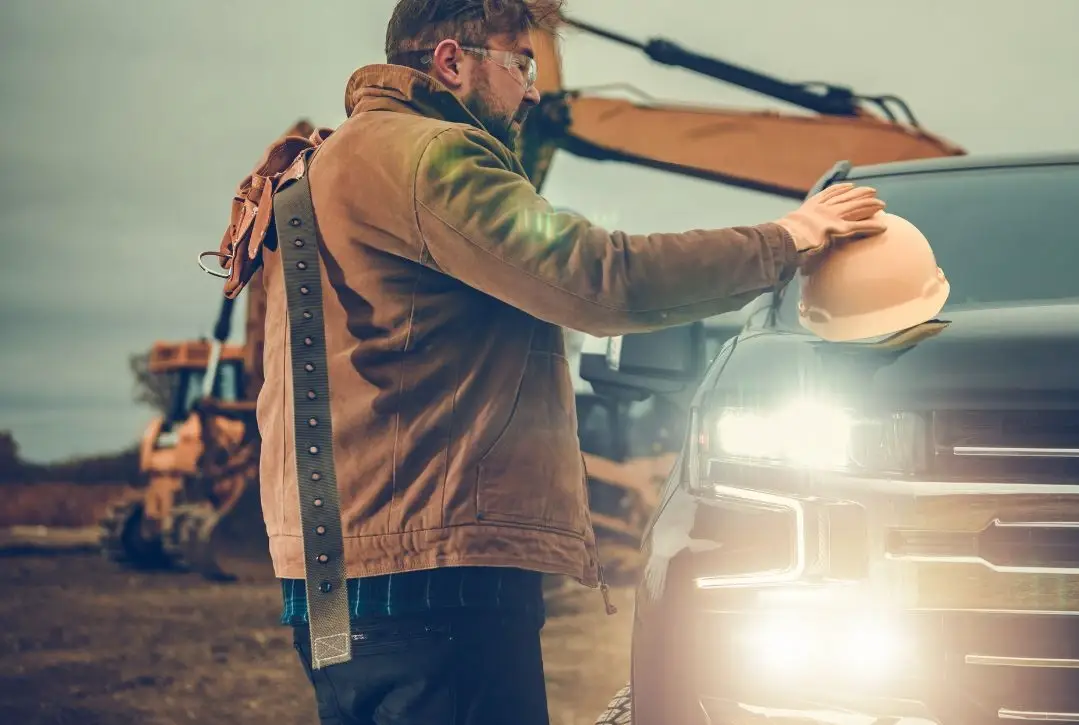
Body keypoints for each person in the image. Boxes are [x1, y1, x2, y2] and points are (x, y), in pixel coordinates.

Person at [245, 1, 887, 722]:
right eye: (521, 63)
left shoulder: (320, 167)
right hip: (437, 583)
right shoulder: (433, 155)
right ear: (452, 60)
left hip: (331, 590)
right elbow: (596, 275)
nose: (533, 90)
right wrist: (785, 239)